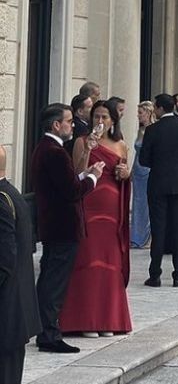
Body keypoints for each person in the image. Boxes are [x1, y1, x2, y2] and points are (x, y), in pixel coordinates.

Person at [32, 103, 103, 353]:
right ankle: (48, 334)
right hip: (62, 226)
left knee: (50, 279)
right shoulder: (53, 151)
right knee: (54, 282)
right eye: (69, 121)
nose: (72, 125)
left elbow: (68, 182)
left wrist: (85, 174)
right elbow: (71, 192)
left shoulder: (48, 148)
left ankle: (44, 329)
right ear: (56, 125)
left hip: (55, 225)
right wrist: (94, 179)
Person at [60, 100, 132, 336]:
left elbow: (124, 171)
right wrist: (89, 148)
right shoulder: (81, 141)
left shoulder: (121, 144)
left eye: (104, 117)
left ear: (113, 121)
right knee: (88, 257)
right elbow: (76, 171)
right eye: (96, 117)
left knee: (110, 261)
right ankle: (86, 320)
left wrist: (126, 174)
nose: (100, 122)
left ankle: (108, 319)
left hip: (112, 209)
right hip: (89, 204)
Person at [138, 93, 178, 287]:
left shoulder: (152, 130)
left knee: (158, 228)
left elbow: (144, 160)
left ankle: (155, 274)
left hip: (158, 183)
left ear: (160, 108)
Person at [0, 144, 41, 384]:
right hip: (16, 310)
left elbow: (4, 262)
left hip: (7, 311)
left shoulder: (2, 201)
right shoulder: (12, 194)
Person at [131, 101, 155, 248]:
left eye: (141, 113)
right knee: (138, 203)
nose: (138, 116)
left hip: (148, 169)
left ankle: (146, 237)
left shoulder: (153, 130)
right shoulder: (140, 130)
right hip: (138, 169)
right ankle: (136, 236)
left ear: (148, 113)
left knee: (146, 204)